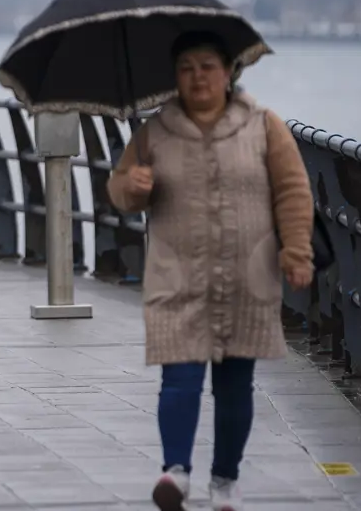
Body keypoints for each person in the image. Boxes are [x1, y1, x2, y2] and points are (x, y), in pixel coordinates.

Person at [106, 31, 314, 511]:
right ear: (174, 77)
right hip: (176, 277)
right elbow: (119, 189)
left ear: (228, 72)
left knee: (235, 384)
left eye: (207, 66)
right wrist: (132, 187)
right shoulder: (155, 131)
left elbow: (293, 190)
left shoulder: (264, 125)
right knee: (179, 379)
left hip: (247, 277)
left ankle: (225, 481)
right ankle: (175, 473)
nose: (197, 76)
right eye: (186, 68)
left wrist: (297, 251)